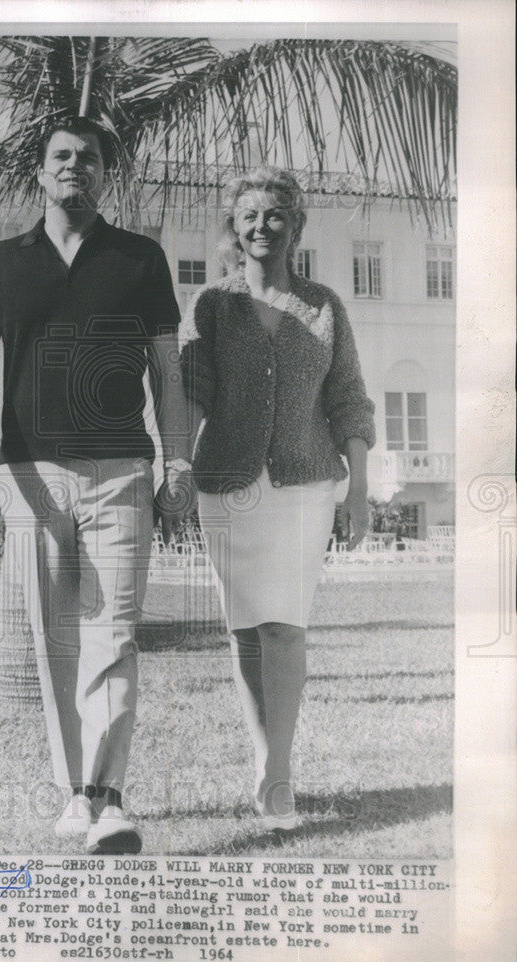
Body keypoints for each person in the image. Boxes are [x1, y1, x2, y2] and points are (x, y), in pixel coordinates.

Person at [0, 116, 192, 854]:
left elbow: (168, 370)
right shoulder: (0, 261)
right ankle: (75, 791)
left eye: (89, 159)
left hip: (121, 472)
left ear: (105, 177)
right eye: (61, 156)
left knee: (113, 633)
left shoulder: (140, 258)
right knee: (57, 642)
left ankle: (108, 800)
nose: (74, 166)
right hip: (29, 475)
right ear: (41, 174)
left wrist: (176, 458)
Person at [179, 167, 375, 831]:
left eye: (275, 215)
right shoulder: (212, 306)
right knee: (245, 632)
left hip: (305, 484)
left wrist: (361, 490)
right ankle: (265, 760)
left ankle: (279, 775)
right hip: (226, 484)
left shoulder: (324, 306)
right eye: (249, 216)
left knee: (285, 626)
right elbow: (193, 391)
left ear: (295, 227)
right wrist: (175, 465)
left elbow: (348, 395)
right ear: (234, 228)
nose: (262, 226)